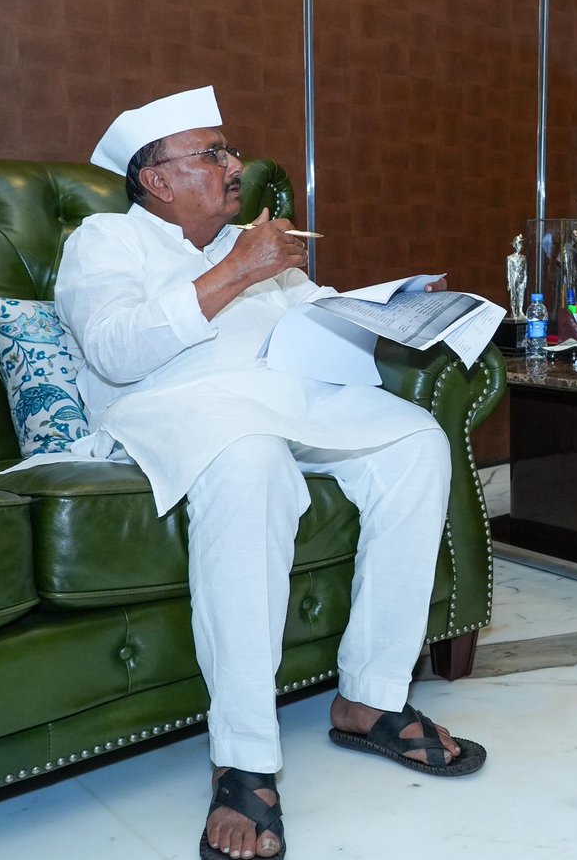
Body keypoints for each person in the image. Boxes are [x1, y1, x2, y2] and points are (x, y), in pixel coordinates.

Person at [57, 87, 486, 860]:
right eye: (212, 154)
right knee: (252, 461)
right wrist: (240, 271)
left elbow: (317, 310)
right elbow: (115, 349)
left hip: (288, 399)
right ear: (156, 180)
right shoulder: (103, 241)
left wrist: (390, 308)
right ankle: (245, 757)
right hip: (177, 411)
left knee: (416, 441)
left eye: (229, 150)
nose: (235, 165)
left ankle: (370, 697)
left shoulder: (248, 243)